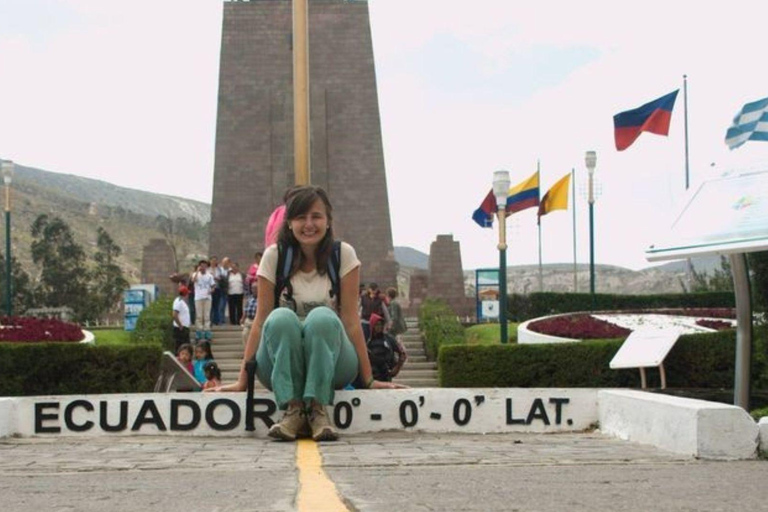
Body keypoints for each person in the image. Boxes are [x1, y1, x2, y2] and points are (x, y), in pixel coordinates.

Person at [214, 185, 406, 442]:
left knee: (323, 318)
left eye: (316, 216)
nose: (309, 224)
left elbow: (350, 320)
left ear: (328, 221)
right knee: (280, 318)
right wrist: (242, 380)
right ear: (289, 223)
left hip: (334, 360)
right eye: (301, 217)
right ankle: (293, 410)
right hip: (279, 364)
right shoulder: (274, 256)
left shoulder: (343, 255)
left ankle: (317, 409)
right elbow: (260, 321)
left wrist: (369, 379)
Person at [367, 313, 407, 382]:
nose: (379, 326)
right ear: (373, 326)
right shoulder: (368, 340)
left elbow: (401, 353)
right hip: (372, 375)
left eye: (381, 324)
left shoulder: (388, 339)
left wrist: (398, 366)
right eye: (377, 324)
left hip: (386, 374)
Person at [192, 259, 215, 341]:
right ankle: (199, 333)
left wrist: (212, 290)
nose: (203, 267)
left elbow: (213, 286)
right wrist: (198, 272)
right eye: (201, 265)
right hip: (198, 297)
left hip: (207, 298)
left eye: (204, 266)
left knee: (206, 316)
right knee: (199, 316)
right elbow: (193, 280)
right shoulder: (196, 274)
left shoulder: (209, 276)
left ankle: (207, 333)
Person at [172, 285, 191, 351]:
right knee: (180, 347)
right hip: (180, 329)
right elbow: (174, 314)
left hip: (184, 328)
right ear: (185, 294)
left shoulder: (182, 302)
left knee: (186, 348)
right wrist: (180, 326)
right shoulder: (178, 301)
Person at [240, 280, 258, 346]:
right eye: (253, 288)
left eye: (256, 288)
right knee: (244, 334)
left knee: (255, 338)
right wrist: (243, 318)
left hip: (256, 320)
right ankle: (246, 352)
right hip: (248, 320)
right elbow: (245, 309)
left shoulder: (261, 299)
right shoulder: (249, 298)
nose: (254, 290)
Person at [227, 262, 245, 326]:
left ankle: (239, 321)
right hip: (231, 293)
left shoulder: (241, 274)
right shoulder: (228, 275)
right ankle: (232, 322)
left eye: (235, 267)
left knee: (239, 308)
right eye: (233, 267)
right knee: (231, 308)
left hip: (239, 293)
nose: (234, 268)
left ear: (238, 267)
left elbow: (244, 283)